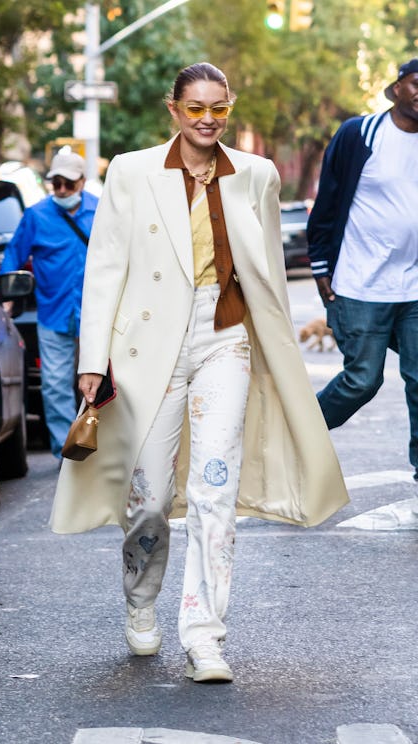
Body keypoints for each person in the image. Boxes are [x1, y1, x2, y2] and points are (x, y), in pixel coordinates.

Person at [50, 62, 348, 683]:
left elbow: (264, 269)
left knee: (215, 490)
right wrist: (91, 360)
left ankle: (205, 636)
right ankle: (140, 598)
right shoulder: (132, 171)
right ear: (174, 109)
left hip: (225, 336)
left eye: (218, 108)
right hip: (146, 345)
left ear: (228, 109)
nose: (207, 119)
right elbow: (104, 269)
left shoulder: (256, 175)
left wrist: (279, 343)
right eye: (195, 108)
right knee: (151, 498)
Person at [307, 58, 418, 478]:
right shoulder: (361, 133)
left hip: (414, 290)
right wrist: (321, 267)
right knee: (362, 381)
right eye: (415, 82)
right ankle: (297, 437)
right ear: (395, 89)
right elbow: (328, 202)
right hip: (361, 285)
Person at [0, 151, 99, 460]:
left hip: (98, 315)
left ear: (82, 182)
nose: (61, 190)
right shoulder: (36, 215)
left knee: (103, 385)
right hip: (54, 313)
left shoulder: (102, 211)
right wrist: (8, 295)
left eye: (68, 184)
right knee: (55, 386)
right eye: (56, 183)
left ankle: (102, 448)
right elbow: (12, 257)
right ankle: (66, 453)